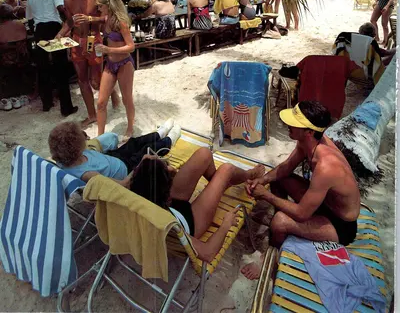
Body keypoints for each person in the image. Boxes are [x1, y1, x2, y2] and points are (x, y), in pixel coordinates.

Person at [241, 100, 360, 280]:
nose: (287, 125)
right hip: (324, 203)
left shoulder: (326, 166)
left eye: (294, 124)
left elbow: (302, 213)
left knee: (280, 221)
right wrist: (262, 180)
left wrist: (265, 195)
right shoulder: (308, 142)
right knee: (281, 178)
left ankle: (269, 258)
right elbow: (286, 168)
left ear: (309, 132)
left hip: (340, 224)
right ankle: (281, 230)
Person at [130, 147, 264, 261]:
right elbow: (208, 253)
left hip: (165, 207)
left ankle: (220, 184)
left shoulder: (129, 195)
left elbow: (139, 176)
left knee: (204, 154)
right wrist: (226, 224)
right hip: (188, 224)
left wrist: (148, 164)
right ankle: (248, 175)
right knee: (226, 169)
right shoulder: (167, 227)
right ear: (168, 195)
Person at [56, 0, 119, 128]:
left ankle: (112, 91)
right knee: (82, 79)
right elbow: (69, 22)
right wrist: (60, 34)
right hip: (76, 42)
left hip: (94, 40)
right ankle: (92, 115)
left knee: (96, 82)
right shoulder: (68, 0)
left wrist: (90, 18)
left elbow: (108, 17)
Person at [49, 119, 181, 185]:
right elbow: (121, 185)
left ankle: (159, 133)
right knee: (146, 150)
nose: (86, 137)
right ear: (77, 146)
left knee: (134, 142)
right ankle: (169, 140)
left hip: (113, 157)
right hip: (127, 168)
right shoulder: (88, 175)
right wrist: (140, 166)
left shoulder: (64, 158)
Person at [26, 0, 77, 116]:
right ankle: (66, 107)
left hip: (40, 31)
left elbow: (30, 19)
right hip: (54, 29)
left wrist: (35, 31)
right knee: (60, 66)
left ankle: (46, 103)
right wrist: (69, 20)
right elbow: (61, 8)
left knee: (43, 67)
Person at [95, 0, 135, 138]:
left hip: (124, 63)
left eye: (100, 6)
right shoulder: (106, 19)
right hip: (110, 64)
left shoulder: (121, 22)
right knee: (101, 102)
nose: (98, 8)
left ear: (109, 5)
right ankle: (100, 136)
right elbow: (96, 19)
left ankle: (130, 128)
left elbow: (131, 46)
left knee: (127, 98)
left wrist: (108, 49)